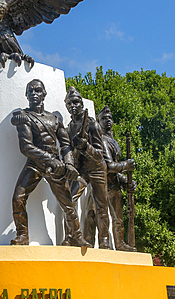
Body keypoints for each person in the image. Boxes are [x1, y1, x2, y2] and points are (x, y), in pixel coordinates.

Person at [10, 79, 88, 247]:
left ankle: (77, 236)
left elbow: (65, 145)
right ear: (26, 95)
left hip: (56, 166)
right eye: (30, 91)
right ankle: (22, 235)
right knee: (18, 198)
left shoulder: (54, 118)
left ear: (44, 94)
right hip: (35, 163)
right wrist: (51, 159)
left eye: (37, 90)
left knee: (68, 204)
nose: (33, 94)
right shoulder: (24, 117)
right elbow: (26, 147)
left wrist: (69, 165)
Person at [65, 88, 110, 249]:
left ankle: (104, 239)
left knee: (101, 206)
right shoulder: (69, 127)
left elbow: (100, 154)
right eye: (69, 103)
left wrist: (85, 146)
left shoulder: (92, 125)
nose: (73, 106)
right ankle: (71, 235)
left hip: (97, 168)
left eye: (76, 102)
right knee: (69, 200)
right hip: (81, 170)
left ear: (82, 104)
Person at [95, 105, 135, 251]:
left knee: (118, 218)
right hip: (103, 185)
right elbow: (109, 166)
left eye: (110, 118)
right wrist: (126, 165)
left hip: (115, 185)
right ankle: (104, 243)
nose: (108, 121)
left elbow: (116, 170)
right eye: (104, 118)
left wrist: (126, 180)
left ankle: (120, 243)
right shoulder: (102, 140)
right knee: (102, 216)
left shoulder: (113, 141)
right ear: (99, 122)